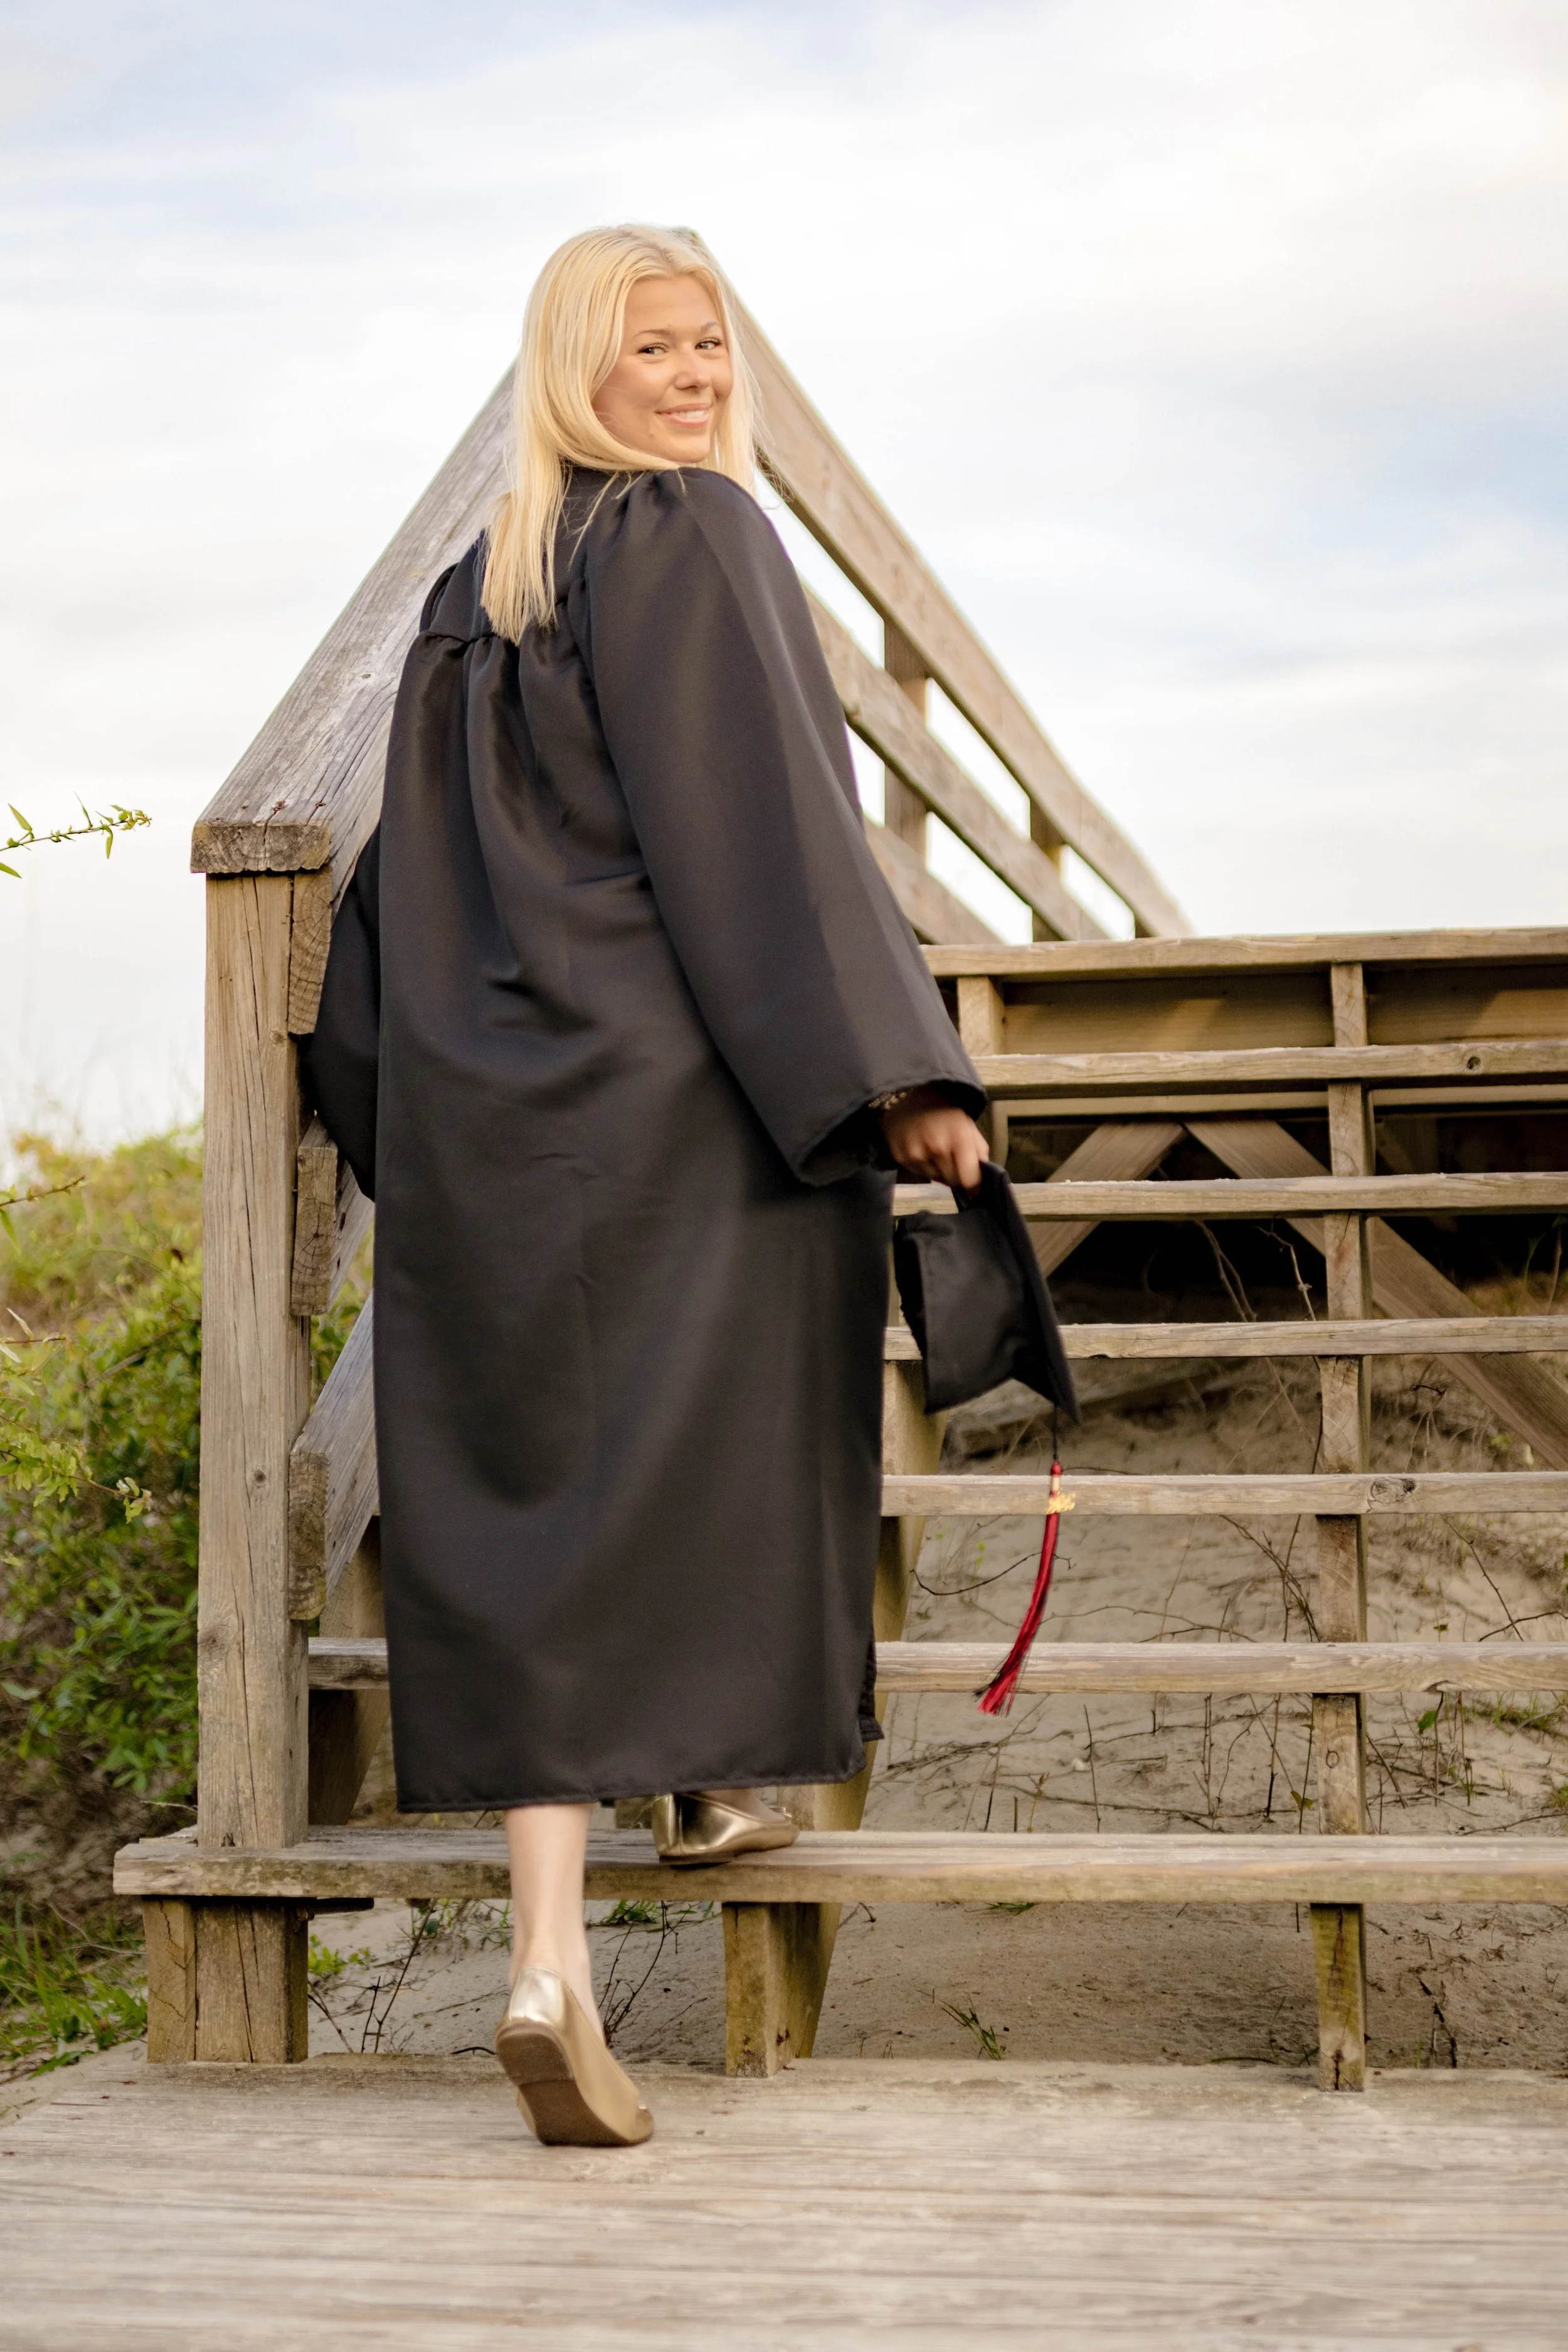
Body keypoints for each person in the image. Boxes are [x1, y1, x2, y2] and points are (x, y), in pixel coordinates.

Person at [319, 224, 989, 2146]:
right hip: (680, 1101)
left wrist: (396, 1101)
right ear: (571, 369)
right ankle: (708, 1779)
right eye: (649, 348)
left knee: (541, 1494)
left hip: (494, 1122)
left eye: (709, 344)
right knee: (721, 1431)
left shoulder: (478, 591)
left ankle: (553, 1956)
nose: (692, 379)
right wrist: (898, 1076)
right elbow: (771, 826)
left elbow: (389, 897)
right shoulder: (695, 535)